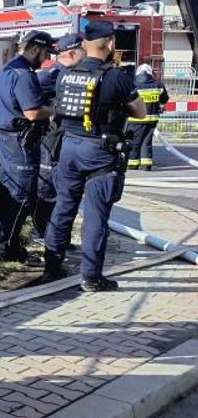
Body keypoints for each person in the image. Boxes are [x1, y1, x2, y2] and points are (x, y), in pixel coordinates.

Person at [43, 20, 147, 292]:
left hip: (68, 148)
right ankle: (91, 277)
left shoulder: (66, 74)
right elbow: (140, 112)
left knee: (63, 205)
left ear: (84, 45)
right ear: (111, 43)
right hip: (100, 153)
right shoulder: (116, 77)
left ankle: (52, 268)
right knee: (96, 216)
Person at [0, 30, 55, 265]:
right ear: (35, 49)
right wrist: (55, 110)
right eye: (45, 53)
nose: (46, 59)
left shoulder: (7, 70)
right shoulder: (24, 74)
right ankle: (8, 248)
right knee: (21, 196)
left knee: (7, 191)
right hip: (21, 142)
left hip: (6, 139)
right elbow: (32, 112)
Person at [34, 32, 86, 241]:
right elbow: (29, 103)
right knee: (47, 190)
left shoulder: (77, 72)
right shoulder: (52, 75)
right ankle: (43, 233)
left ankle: (57, 237)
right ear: (73, 52)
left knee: (66, 192)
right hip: (51, 141)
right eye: (84, 50)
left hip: (68, 141)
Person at [125, 63, 169, 171]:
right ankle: (146, 164)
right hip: (152, 120)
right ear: (150, 73)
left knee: (134, 142)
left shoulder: (132, 84)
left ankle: (132, 163)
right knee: (147, 142)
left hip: (136, 120)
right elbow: (164, 100)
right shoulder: (158, 85)